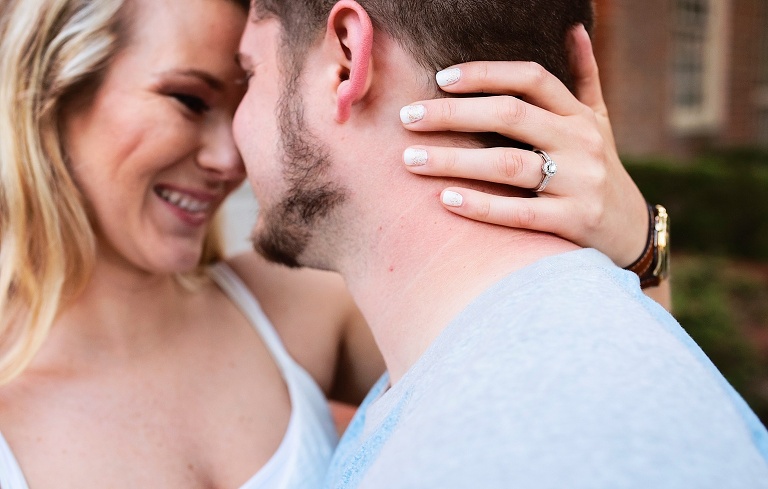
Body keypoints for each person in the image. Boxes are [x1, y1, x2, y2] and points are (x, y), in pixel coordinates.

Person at [0, 0, 667, 488]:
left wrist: (638, 234)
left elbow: (615, 399)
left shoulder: (291, 309)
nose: (229, 157)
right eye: (188, 100)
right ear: (50, 94)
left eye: (242, 97)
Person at [233, 0, 768, 487]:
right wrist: (645, 253)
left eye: (249, 75)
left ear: (348, 61)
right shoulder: (529, 374)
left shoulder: (542, 436)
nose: (227, 145)